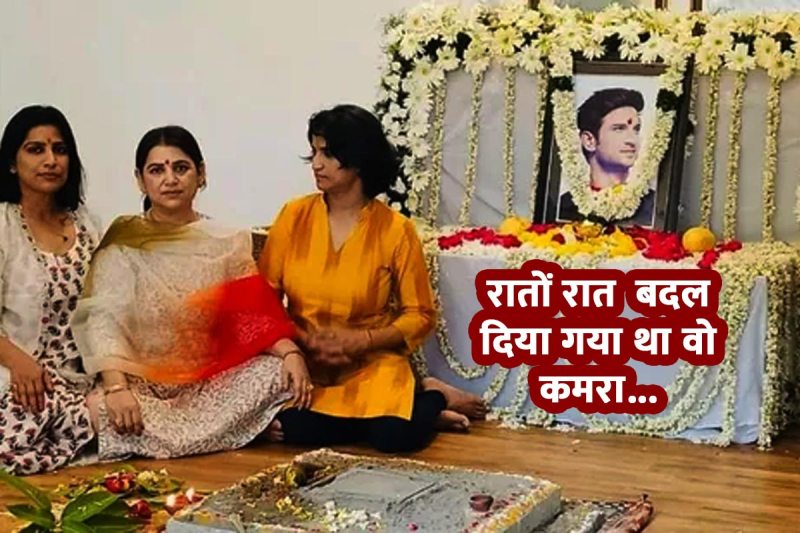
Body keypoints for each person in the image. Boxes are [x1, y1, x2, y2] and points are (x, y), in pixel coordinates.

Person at [71, 125, 311, 461]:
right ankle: (240, 429)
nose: (170, 179)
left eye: (180, 168)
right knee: (99, 409)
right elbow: (104, 323)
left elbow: (249, 318)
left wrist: (291, 354)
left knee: (275, 374)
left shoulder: (226, 241)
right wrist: (116, 388)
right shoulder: (123, 242)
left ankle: (209, 433)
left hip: (207, 383)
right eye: (157, 170)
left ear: (201, 174)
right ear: (140, 180)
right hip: (144, 384)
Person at [259, 104, 487, 453]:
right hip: (306, 362)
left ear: (359, 160)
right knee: (286, 429)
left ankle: (433, 396)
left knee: (394, 438)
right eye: (314, 152)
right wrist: (296, 347)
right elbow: (263, 300)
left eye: (328, 154)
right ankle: (410, 407)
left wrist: (362, 341)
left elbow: (420, 315)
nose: (316, 164)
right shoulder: (294, 216)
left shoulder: (395, 230)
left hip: (370, 364)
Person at [0, 105, 103, 474]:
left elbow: (108, 311)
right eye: (35, 149)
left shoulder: (88, 225)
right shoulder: (3, 226)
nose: (50, 160)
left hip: (85, 377)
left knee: (134, 413)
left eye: (60, 150)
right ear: (12, 163)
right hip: (21, 373)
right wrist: (19, 362)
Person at [558, 87, 655, 226]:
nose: (632, 140)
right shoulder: (564, 208)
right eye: (619, 129)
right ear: (589, 141)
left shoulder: (652, 206)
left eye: (636, 129)